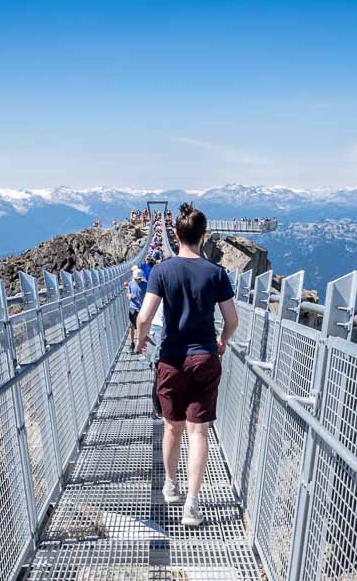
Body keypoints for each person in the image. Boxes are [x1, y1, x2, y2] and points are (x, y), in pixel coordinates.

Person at [135, 203, 239, 527]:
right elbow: (232, 319)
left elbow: (144, 317)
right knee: (199, 432)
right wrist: (223, 340)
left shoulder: (163, 270)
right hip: (205, 357)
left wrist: (140, 340)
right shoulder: (217, 273)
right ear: (203, 236)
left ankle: (170, 484)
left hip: (171, 360)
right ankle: (192, 505)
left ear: (176, 234)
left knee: (171, 426)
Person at [126, 267, 146, 352]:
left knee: (140, 327)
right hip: (133, 308)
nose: (138, 280)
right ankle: (132, 343)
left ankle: (140, 344)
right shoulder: (131, 283)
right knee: (132, 326)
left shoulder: (146, 284)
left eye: (139, 279)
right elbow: (128, 293)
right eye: (137, 279)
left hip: (142, 308)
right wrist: (129, 296)